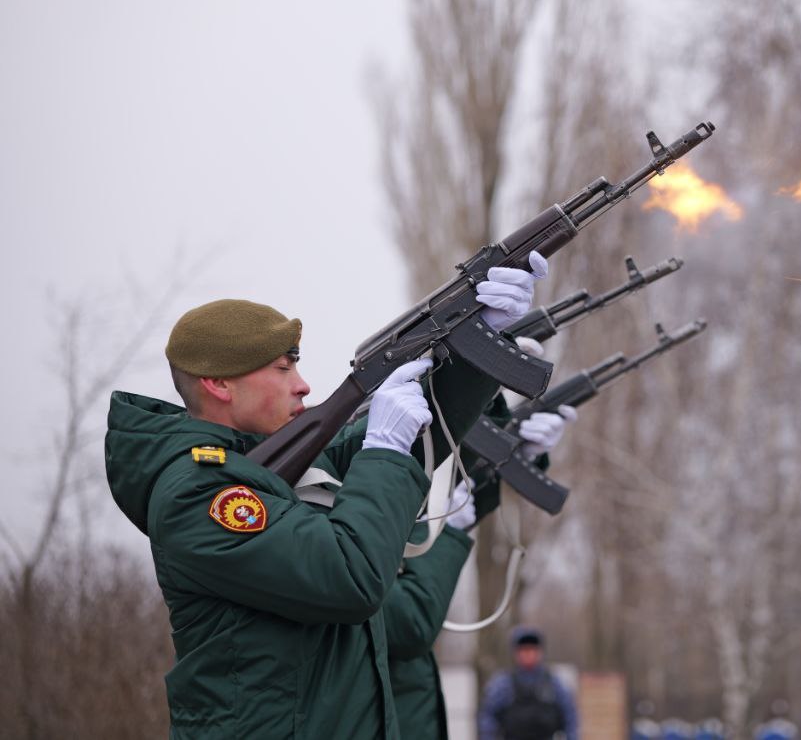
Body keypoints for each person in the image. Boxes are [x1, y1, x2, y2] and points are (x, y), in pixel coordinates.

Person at [104, 255, 546, 739]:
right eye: (281, 368)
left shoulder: (271, 467)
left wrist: (481, 340)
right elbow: (349, 576)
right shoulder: (198, 497)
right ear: (219, 384)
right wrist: (385, 447)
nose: (302, 384)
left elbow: (424, 435)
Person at [384, 360, 576, 740]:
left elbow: (458, 502)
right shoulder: (506, 685)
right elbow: (411, 623)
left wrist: (516, 452)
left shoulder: (553, 686)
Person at [478, 626, 579, 740]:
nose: (528, 654)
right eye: (524, 650)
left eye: (532, 649)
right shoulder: (503, 685)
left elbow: (570, 719)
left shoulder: (555, 684)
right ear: (516, 653)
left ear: (540, 652)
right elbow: (488, 718)